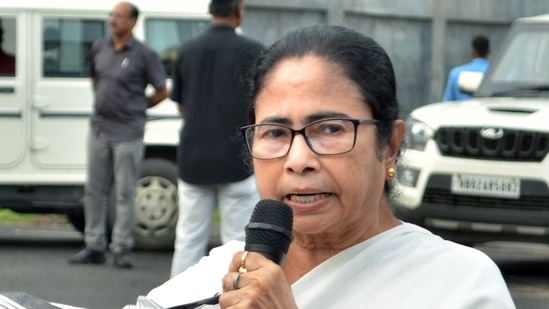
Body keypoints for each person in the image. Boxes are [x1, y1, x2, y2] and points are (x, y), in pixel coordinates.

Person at [143, 25, 515, 308]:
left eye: (331, 129)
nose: (298, 161)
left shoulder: (460, 284)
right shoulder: (226, 270)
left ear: (391, 146)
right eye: (274, 132)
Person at [69, 1, 168, 269]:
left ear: (133, 21)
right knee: (94, 190)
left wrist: (138, 106)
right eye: (112, 15)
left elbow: (162, 90)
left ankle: (121, 247)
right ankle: (94, 245)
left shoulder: (144, 54)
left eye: (120, 16)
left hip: (128, 132)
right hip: (100, 128)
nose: (113, 20)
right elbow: (95, 80)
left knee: (124, 192)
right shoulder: (99, 47)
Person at [168, 0, 264, 277]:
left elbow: (182, 105)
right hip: (238, 160)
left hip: (194, 159)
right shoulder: (254, 50)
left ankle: (177, 302)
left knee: (188, 239)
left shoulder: (186, 50)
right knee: (237, 243)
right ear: (238, 10)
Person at [442, 34, 490, 102]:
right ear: (489, 51)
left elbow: (447, 103)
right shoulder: (495, 75)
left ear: (472, 52)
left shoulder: (456, 73)